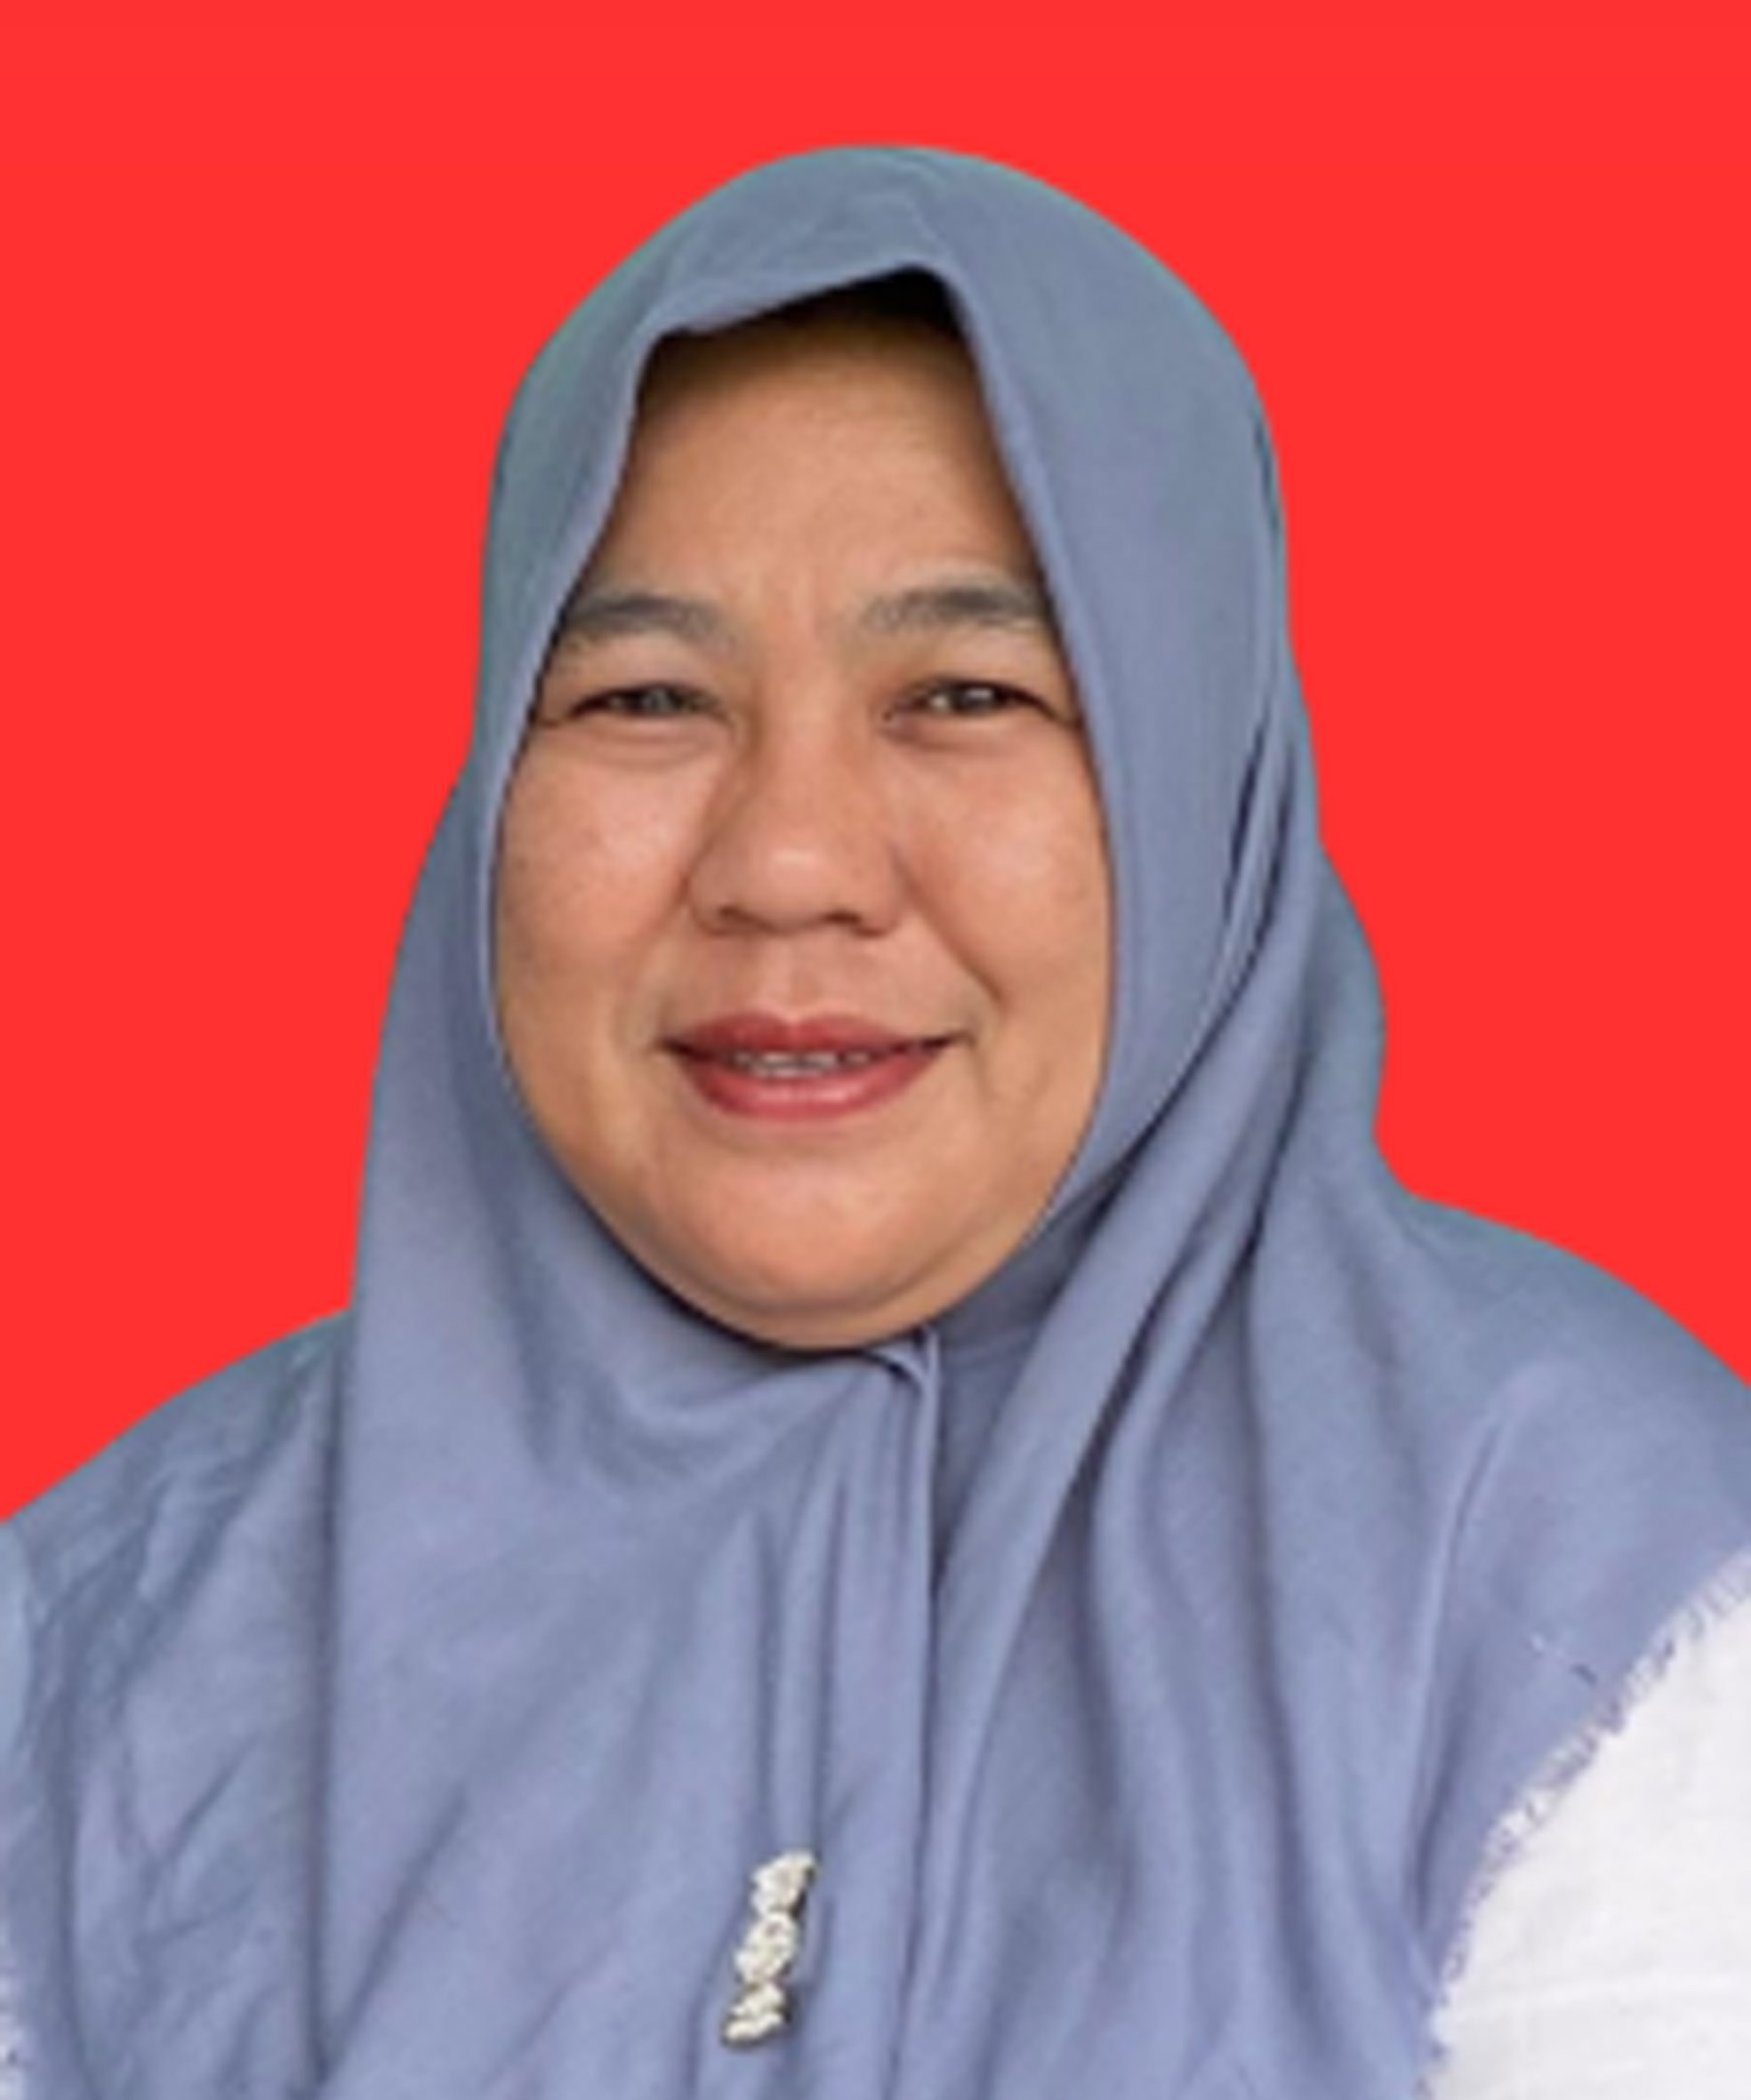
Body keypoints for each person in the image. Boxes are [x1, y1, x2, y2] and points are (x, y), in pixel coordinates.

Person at [2, 147, 1747, 2098]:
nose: (789, 863)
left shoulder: (1579, 1567)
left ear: (1200, 775)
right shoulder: (101, 1641)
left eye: (968, 694)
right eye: (647, 697)